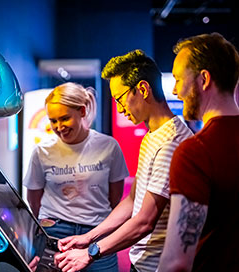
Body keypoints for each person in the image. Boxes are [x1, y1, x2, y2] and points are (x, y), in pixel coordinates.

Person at [54, 50, 193, 272]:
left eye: (120, 98)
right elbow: (131, 201)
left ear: (143, 89)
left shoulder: (172, 142)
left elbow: (145, 221)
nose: (119, 108)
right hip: (142, 262)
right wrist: (89, 237)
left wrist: (91, 253)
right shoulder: (153, 136)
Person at [23, 82, 129, 272]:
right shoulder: (42, 151)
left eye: (64, 118)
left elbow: (116, 199)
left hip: (98, 232)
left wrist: (98, 227)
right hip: (56, 234)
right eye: (53, 120)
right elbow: (34, 200)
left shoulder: (109, 146)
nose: (59, 127)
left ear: (81, 111)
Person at [158, 33, 239, 271]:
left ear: (204, 79)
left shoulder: (195, 152)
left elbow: (176, 262)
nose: (175, 91)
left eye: (178, 79)